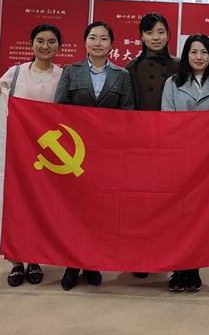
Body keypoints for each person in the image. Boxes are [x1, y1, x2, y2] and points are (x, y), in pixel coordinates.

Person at [54, 21, 134, 290]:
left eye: (103, 38)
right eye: (92, 37)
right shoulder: (71, 70)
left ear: (112, 44)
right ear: (85, 42)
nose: (97, 43)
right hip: (75, 153)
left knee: (100, 210)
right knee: (74, 209)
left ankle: (92, 263)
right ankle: (71, 264)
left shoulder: (122, 75)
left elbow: (127, 114)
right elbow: (59, 109)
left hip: (108, 154)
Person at [0, 23, 64, 288]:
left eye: (51, 41)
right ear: (31, 44)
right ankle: (16, 261)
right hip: (16, 154)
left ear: (59, 46)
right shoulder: (15, 73)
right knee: (14, 206)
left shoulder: (63, 76)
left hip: (48, 158)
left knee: (42, 208)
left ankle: (35, 259)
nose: (45, 46)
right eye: (40, 40)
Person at [161, 33, 209, 293]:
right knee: (179, 216)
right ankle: (178, 268)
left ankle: (194, 268)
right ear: (186, 55)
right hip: (179, 158)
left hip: (207, 161)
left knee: (200, 216)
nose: (199, 57)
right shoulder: (172, 83)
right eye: (194, 52)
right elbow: (166, 120)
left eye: (204, 52)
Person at [125, 12, 180, 279]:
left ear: (168, 34)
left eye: (160, 32)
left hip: (172, 144)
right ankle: (139, 256)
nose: (155, 38)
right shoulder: (131, 68)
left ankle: (167, 254)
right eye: (149, 33)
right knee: (141, 204)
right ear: (141, 36)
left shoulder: (179, 65)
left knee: (169, 202)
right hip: (141, 144)